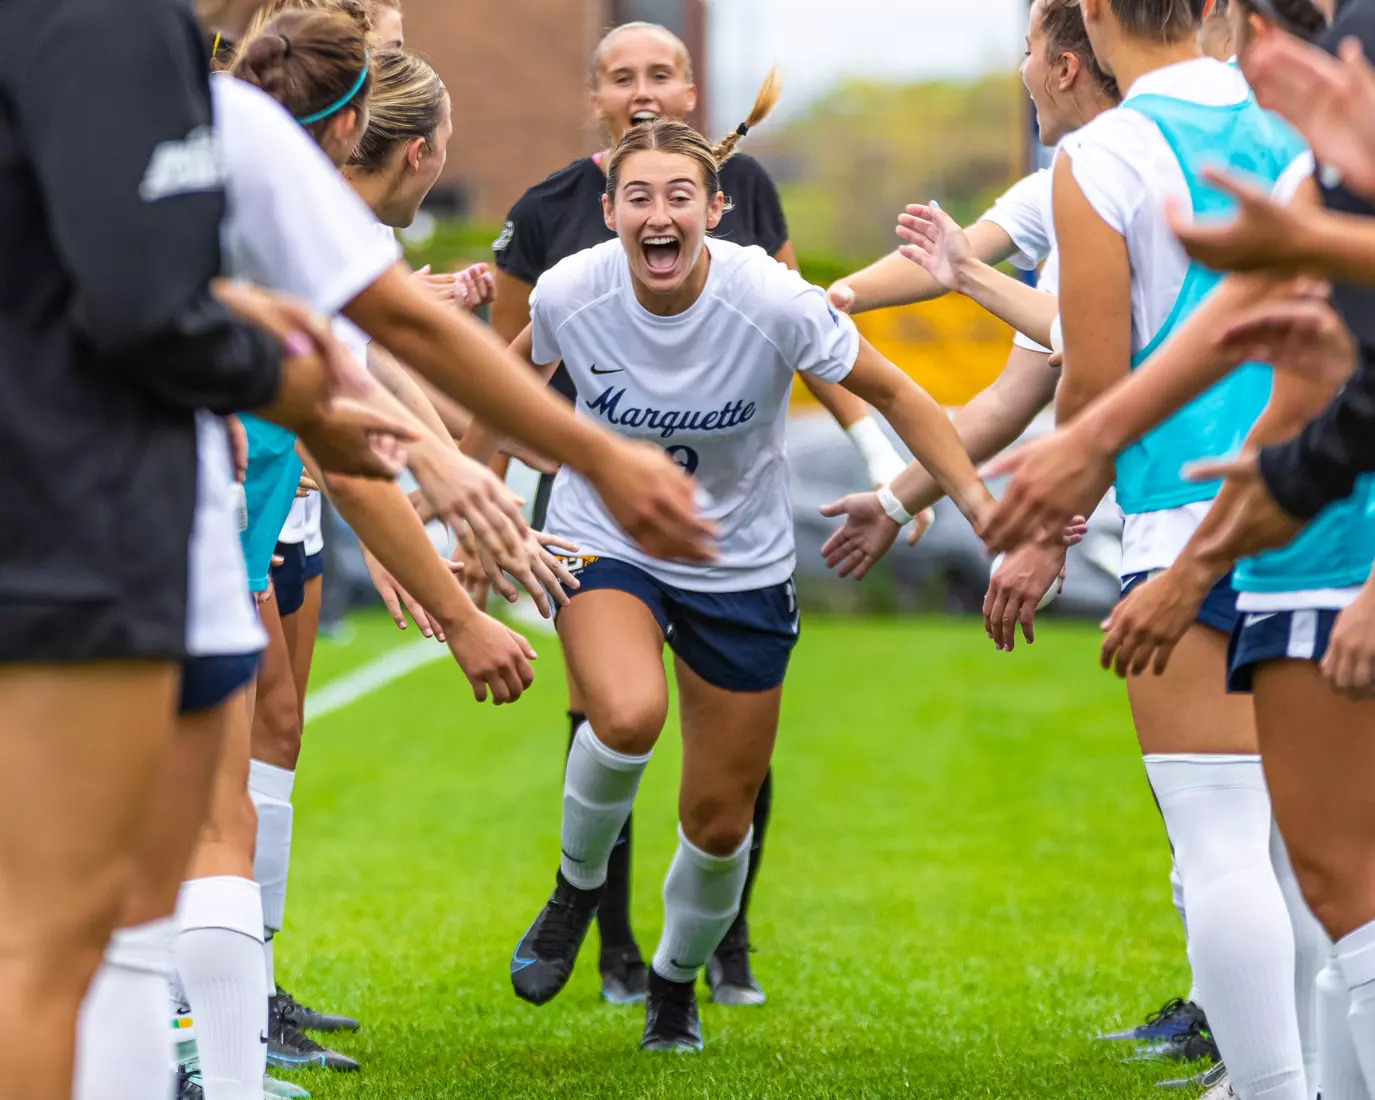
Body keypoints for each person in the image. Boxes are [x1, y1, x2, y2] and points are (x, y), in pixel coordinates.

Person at [472, 105, 996, 1053]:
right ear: (610, 209)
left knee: (717, 822)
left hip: (738, 564)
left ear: (715, 208)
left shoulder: (773, 298)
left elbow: (899, 393)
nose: (658, 214)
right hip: (607, 541)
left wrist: (981, 510)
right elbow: (501, 393)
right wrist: (473, 508)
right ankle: (574, 891)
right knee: (624, 715)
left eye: (680, 195)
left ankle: (675, 982)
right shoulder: (569, 291)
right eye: (638, 198)